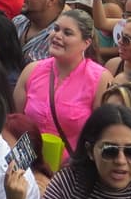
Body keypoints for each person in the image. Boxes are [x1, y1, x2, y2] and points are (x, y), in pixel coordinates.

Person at [13, 9, 110, 159]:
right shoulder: (31, 70)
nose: (57, 36)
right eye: (56, 29)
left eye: (68, 33)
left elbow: (103, 134)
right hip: (28, 166)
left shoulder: (101, 79)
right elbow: (15, 123)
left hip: (71, 171)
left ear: (86, 43)